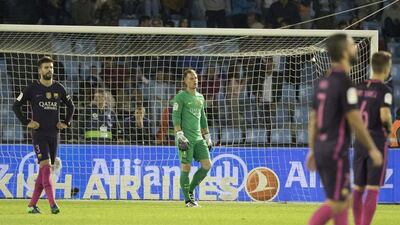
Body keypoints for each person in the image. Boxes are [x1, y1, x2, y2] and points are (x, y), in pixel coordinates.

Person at [306, 34, 382, 225]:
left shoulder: (322, 82)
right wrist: (372, 148)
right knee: (337, 203)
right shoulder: (344, 82)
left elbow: (313, 119)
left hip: (323, 147)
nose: (355, 47)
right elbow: (355, 119)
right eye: (352, 44)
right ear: (343, 51)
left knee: (343, 200)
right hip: (335, 148)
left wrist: (313, 149)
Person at [12, 56, 75, 214]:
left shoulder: (59, 88)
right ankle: (53, 204)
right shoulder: (32, 88)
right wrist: (27, 122)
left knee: (44, 171)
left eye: (51, 67)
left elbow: (71, 106)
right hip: (39, 134)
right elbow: (15, 106)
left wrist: (66, 122)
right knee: (46, 168)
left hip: (54, 134)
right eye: (46, 67)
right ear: (40, 70)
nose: (49, 70)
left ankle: (32, 205)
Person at [353, 51, 393, 225]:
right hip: (376, 140)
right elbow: (384, 116)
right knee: (372, 187)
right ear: (387, 68)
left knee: (358, 188)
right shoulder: (385, 90)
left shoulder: (359, 87)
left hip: (360, 140)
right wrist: (389, 130)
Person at [172, 69, 212, 207]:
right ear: (185, 81)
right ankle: (188, 200)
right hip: (185, 137)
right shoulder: (180, 97)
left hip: (199, 138)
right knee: (186, 168)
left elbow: (203, 118)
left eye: (195, 78)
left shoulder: (200, 97)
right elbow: (176, 117)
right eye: (190, 78)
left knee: (207, 165)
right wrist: (180, 134)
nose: (194, 80)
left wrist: (207, 136)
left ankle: (190, 190)